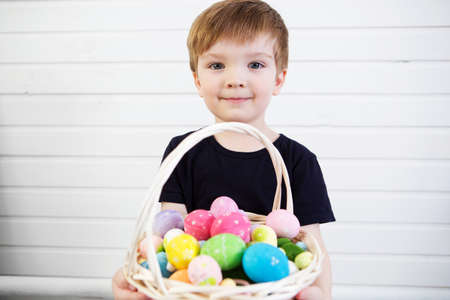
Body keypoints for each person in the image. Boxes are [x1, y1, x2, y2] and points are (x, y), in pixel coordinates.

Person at [112, 0, 335, 299]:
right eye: (217, 65)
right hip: (197, 289)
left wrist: (322, 293)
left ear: (278, 79)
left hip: (274, 291)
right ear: (198, 80)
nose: (235, 80)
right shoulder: (183, 152)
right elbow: (173, 237)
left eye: (255, 64)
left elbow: (312, 249)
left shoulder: (297, 162)